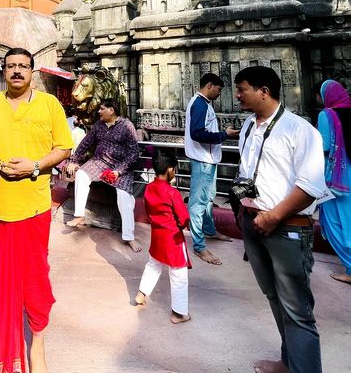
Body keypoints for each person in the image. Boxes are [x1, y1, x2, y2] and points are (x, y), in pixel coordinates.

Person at [0, 47, 72, 373]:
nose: (16, 72)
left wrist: (35, 166)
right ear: (3, 71)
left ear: (31, 72)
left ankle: (37, 345)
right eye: (10, 66)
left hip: (33, 207)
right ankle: (5, 355)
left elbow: (63, 149)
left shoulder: (49, 105)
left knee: (34, 279)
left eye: (22, 67)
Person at [234, 66, 326, 373]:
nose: (238, 95)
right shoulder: (248, 126)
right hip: (253, 223)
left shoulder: (300, 131)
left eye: (243, 89)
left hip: (286, 228)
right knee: (275, 298)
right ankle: (290, 364)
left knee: (298, 313)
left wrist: (273, 216)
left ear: (264, 91)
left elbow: (310, 186)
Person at [65, 98, 143, 252]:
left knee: (124, 196)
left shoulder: (127, 126)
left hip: (121, 167)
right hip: (99, 162)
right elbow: (85, 144)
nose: (99, 111)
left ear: (111, 110)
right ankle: (79, 214)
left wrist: (118, 171)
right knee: (80, 174)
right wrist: (74, 160)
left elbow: (134, 153)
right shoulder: (98, 126)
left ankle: (129, 237)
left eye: (102, 109)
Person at [184, 72, 238, 265]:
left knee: (208, 198)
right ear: (209, 85)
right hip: (202, 160)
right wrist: (225, 134)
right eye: (218, 89)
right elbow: (197, 133)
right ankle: (199, 246)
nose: (219, 93)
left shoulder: (203, 103)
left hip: (208, 159)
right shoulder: (199, 103)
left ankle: (209, 230)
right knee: (198, 203)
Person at [135, 149, 191, 324]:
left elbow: (149, 210)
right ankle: (179, 313)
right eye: (174, 169)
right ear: (169, 170)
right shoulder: (172, 193)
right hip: (173, 238)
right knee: (178, 274)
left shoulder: (149, 188)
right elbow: (183, 218)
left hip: (157, 235)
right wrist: (183, 224)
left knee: (153, 264)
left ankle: (142, 293)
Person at [316, 79, 351, 284]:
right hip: (348, 174)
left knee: (335, 223)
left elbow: (325, 145)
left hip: (336, 180)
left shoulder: (326, 115)